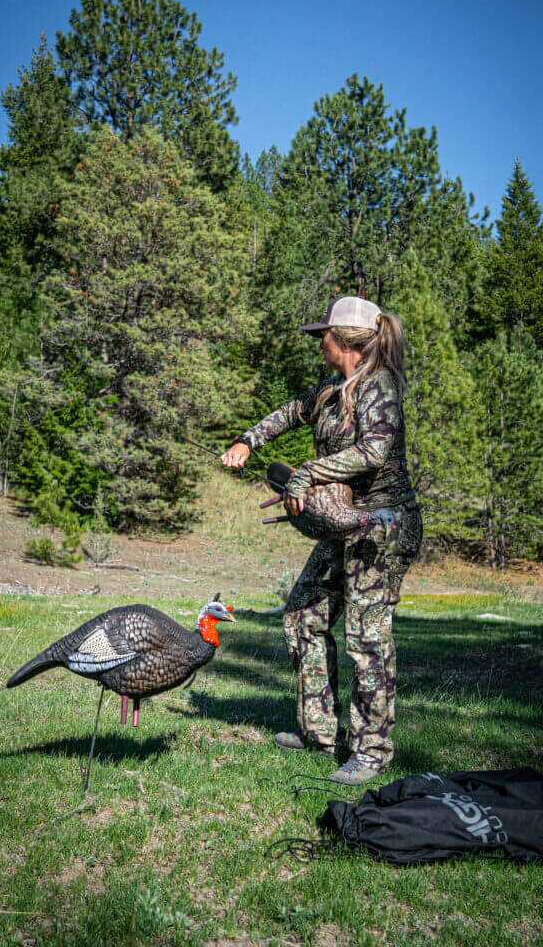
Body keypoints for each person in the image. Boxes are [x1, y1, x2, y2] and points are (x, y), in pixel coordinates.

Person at [221, 295, 422, 785]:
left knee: (367, 637)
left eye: (324, 336)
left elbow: (374, 452)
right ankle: (319, 732)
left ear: (345, 340)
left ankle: (371, 751)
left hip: (381, 528)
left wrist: (308, 475)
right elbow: (292, 411)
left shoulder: (380, 387)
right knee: (303, 615)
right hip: (341, 523)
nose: (319, 343)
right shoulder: (333, 389)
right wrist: (248, 440)